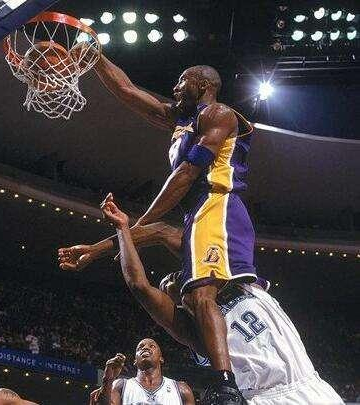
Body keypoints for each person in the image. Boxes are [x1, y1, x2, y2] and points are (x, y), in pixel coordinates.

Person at [64, 195, 343, 405]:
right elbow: (139, 286)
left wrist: (97, 248)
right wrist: (122, 229)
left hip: (313, 387)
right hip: (264, 398)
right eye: (167, 284)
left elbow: (162, 231)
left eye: (177, 274)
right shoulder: (196, 334)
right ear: (177, 302)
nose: (173, 278)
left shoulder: (236, 280)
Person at [93, 51, 257, 402]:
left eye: (182, 81)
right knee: (188, 291)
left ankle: (225, 385)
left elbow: (186, 173)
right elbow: (127, 90)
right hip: (197, 211)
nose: (175, 87)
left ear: (202, 84)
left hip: (217, 202)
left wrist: (142, 220)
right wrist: (94, 56)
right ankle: (228, 370)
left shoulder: (218, 114)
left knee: (200, 293)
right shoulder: (182, 121)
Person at [89, 339, 195, 405]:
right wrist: (108, 380)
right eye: (140, 347)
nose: (146, 348)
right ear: (135, 361)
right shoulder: (120, 385)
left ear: (161, 358)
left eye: (152, 346)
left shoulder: (181, 389)